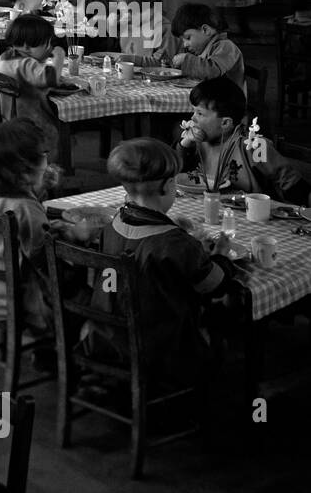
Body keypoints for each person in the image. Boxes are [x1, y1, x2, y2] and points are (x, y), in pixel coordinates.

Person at [88, 139, 238, 385]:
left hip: (107, 340)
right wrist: (221, 254)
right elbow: (214, 285)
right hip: (159, 351)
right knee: (226, 309)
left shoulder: (113, 225)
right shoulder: (174, 242)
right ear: (168, 186)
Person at [0, 119, 59, 370]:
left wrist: (38, 189)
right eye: (44, 156)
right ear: (25, 171)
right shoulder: (25, 209)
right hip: (16, 302)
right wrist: (76, 236)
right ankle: (54, 351)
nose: (47, 159)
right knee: (80, 291)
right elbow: (46, 257)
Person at [178, 76, 310, 204]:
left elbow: (291, 183)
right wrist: (184, 145)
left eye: (200, 113)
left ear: (225, 123)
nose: (193, 118)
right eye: (194, 111)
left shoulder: (254, 146)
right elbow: (176, 174)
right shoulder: (198, 143)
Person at [0, 14, 67, 154]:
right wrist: (59, 56)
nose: (49, 48)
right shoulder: (26, 63)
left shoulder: (4, 58)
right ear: (27, 46)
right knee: (55, 130)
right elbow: (52, 80)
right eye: (46, 44)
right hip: (21, 125)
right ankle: (43, 167)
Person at [168, 2, 245, 90]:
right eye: (183, 40)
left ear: (205, 30)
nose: (185, 44)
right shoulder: (204, 50)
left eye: (188, 38)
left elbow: (212, 71)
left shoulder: (226, 46)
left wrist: (186, 59)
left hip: (228, 101)